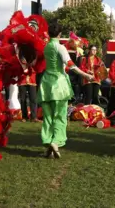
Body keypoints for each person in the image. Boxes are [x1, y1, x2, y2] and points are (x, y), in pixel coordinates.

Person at [38, 21, 94, 158]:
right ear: (59, 34)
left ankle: (48, 143)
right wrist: (86, 75)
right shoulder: (60, 47)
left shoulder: (46, 47)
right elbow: (70, 64)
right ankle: (56, 141)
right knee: (59, 115)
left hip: (46, 83)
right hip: (59, 84)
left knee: (48, 116)